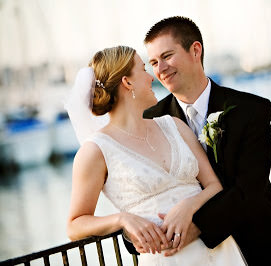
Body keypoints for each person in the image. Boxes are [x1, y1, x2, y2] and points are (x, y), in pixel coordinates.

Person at [123, 16, 271, 265]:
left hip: (259, 250)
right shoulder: (151, 119)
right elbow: (141, 188)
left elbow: (249, 190)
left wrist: (192, 228)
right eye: (153, 62)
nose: (160, 69)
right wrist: (139, 235)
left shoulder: (250, 110)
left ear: (195, 50)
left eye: (167, 56)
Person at [65, 46, 247, 265]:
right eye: (143, 69)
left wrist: (188, 206)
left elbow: (214, 186)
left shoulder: (175, 126)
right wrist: (122, 220)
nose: (152, 78)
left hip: (221, 253)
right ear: (127, 82)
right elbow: (75, 225)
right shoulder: (94, 150)